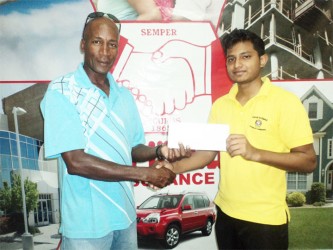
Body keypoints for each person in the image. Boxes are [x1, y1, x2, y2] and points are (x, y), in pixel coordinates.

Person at [40, 12, 189, 250]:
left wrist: (160, 151)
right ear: (83, 44)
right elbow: (76, 162)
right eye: (97, 42)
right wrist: (145, 175)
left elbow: (133, 148)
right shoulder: (62, 90)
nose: (105, 52)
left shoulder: (124, 95)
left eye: (112, 44)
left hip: (126, 216)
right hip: (86, 225)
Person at [163, 29, 317, 249]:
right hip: (225, 213)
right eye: (231, 59)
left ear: (262, 60)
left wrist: (255, 152)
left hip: (265, 220)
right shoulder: (221, 105)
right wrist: (171, 169)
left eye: (246, 56)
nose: (237, 65)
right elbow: (207, 154)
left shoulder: (286, 102)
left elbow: (308, 161)